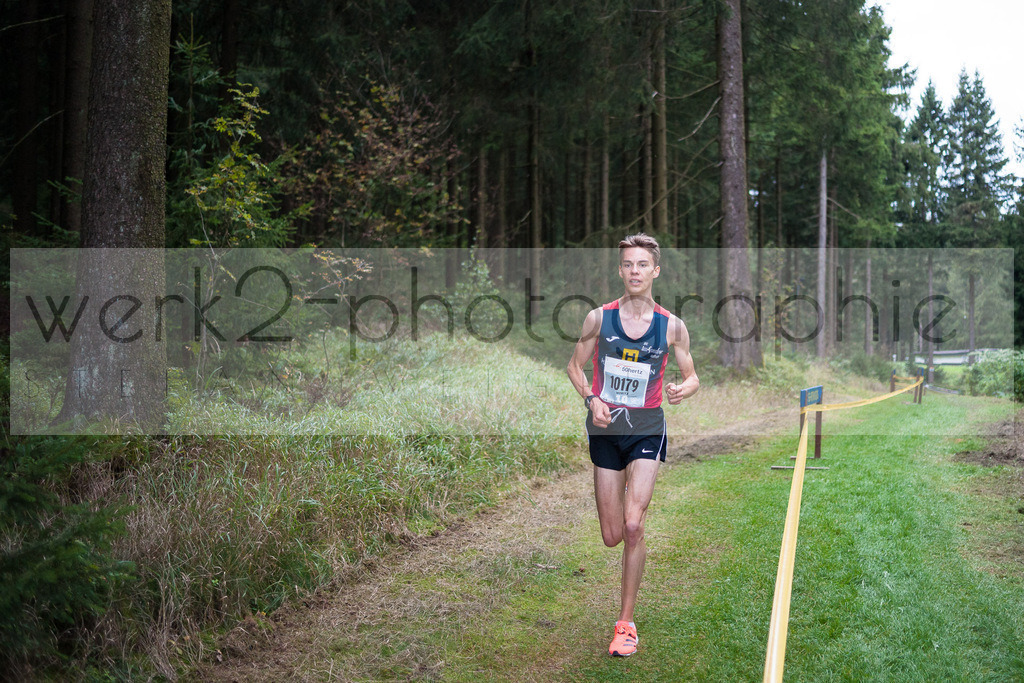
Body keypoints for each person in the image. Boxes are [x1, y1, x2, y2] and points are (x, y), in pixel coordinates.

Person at [566, 233, 700, 657]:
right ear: (620, 270)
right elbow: (574, 367)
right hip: (605, 430)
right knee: (611, 536)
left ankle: (625, 623)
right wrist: (591, 399)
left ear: (655, 270)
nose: (635, 271)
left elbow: (693, 375)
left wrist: (685, 389)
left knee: (633, 525)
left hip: (647, 427)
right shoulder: (598, 319)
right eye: (628, 265)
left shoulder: (672, 325)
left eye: (643, 264)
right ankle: (627, 536)